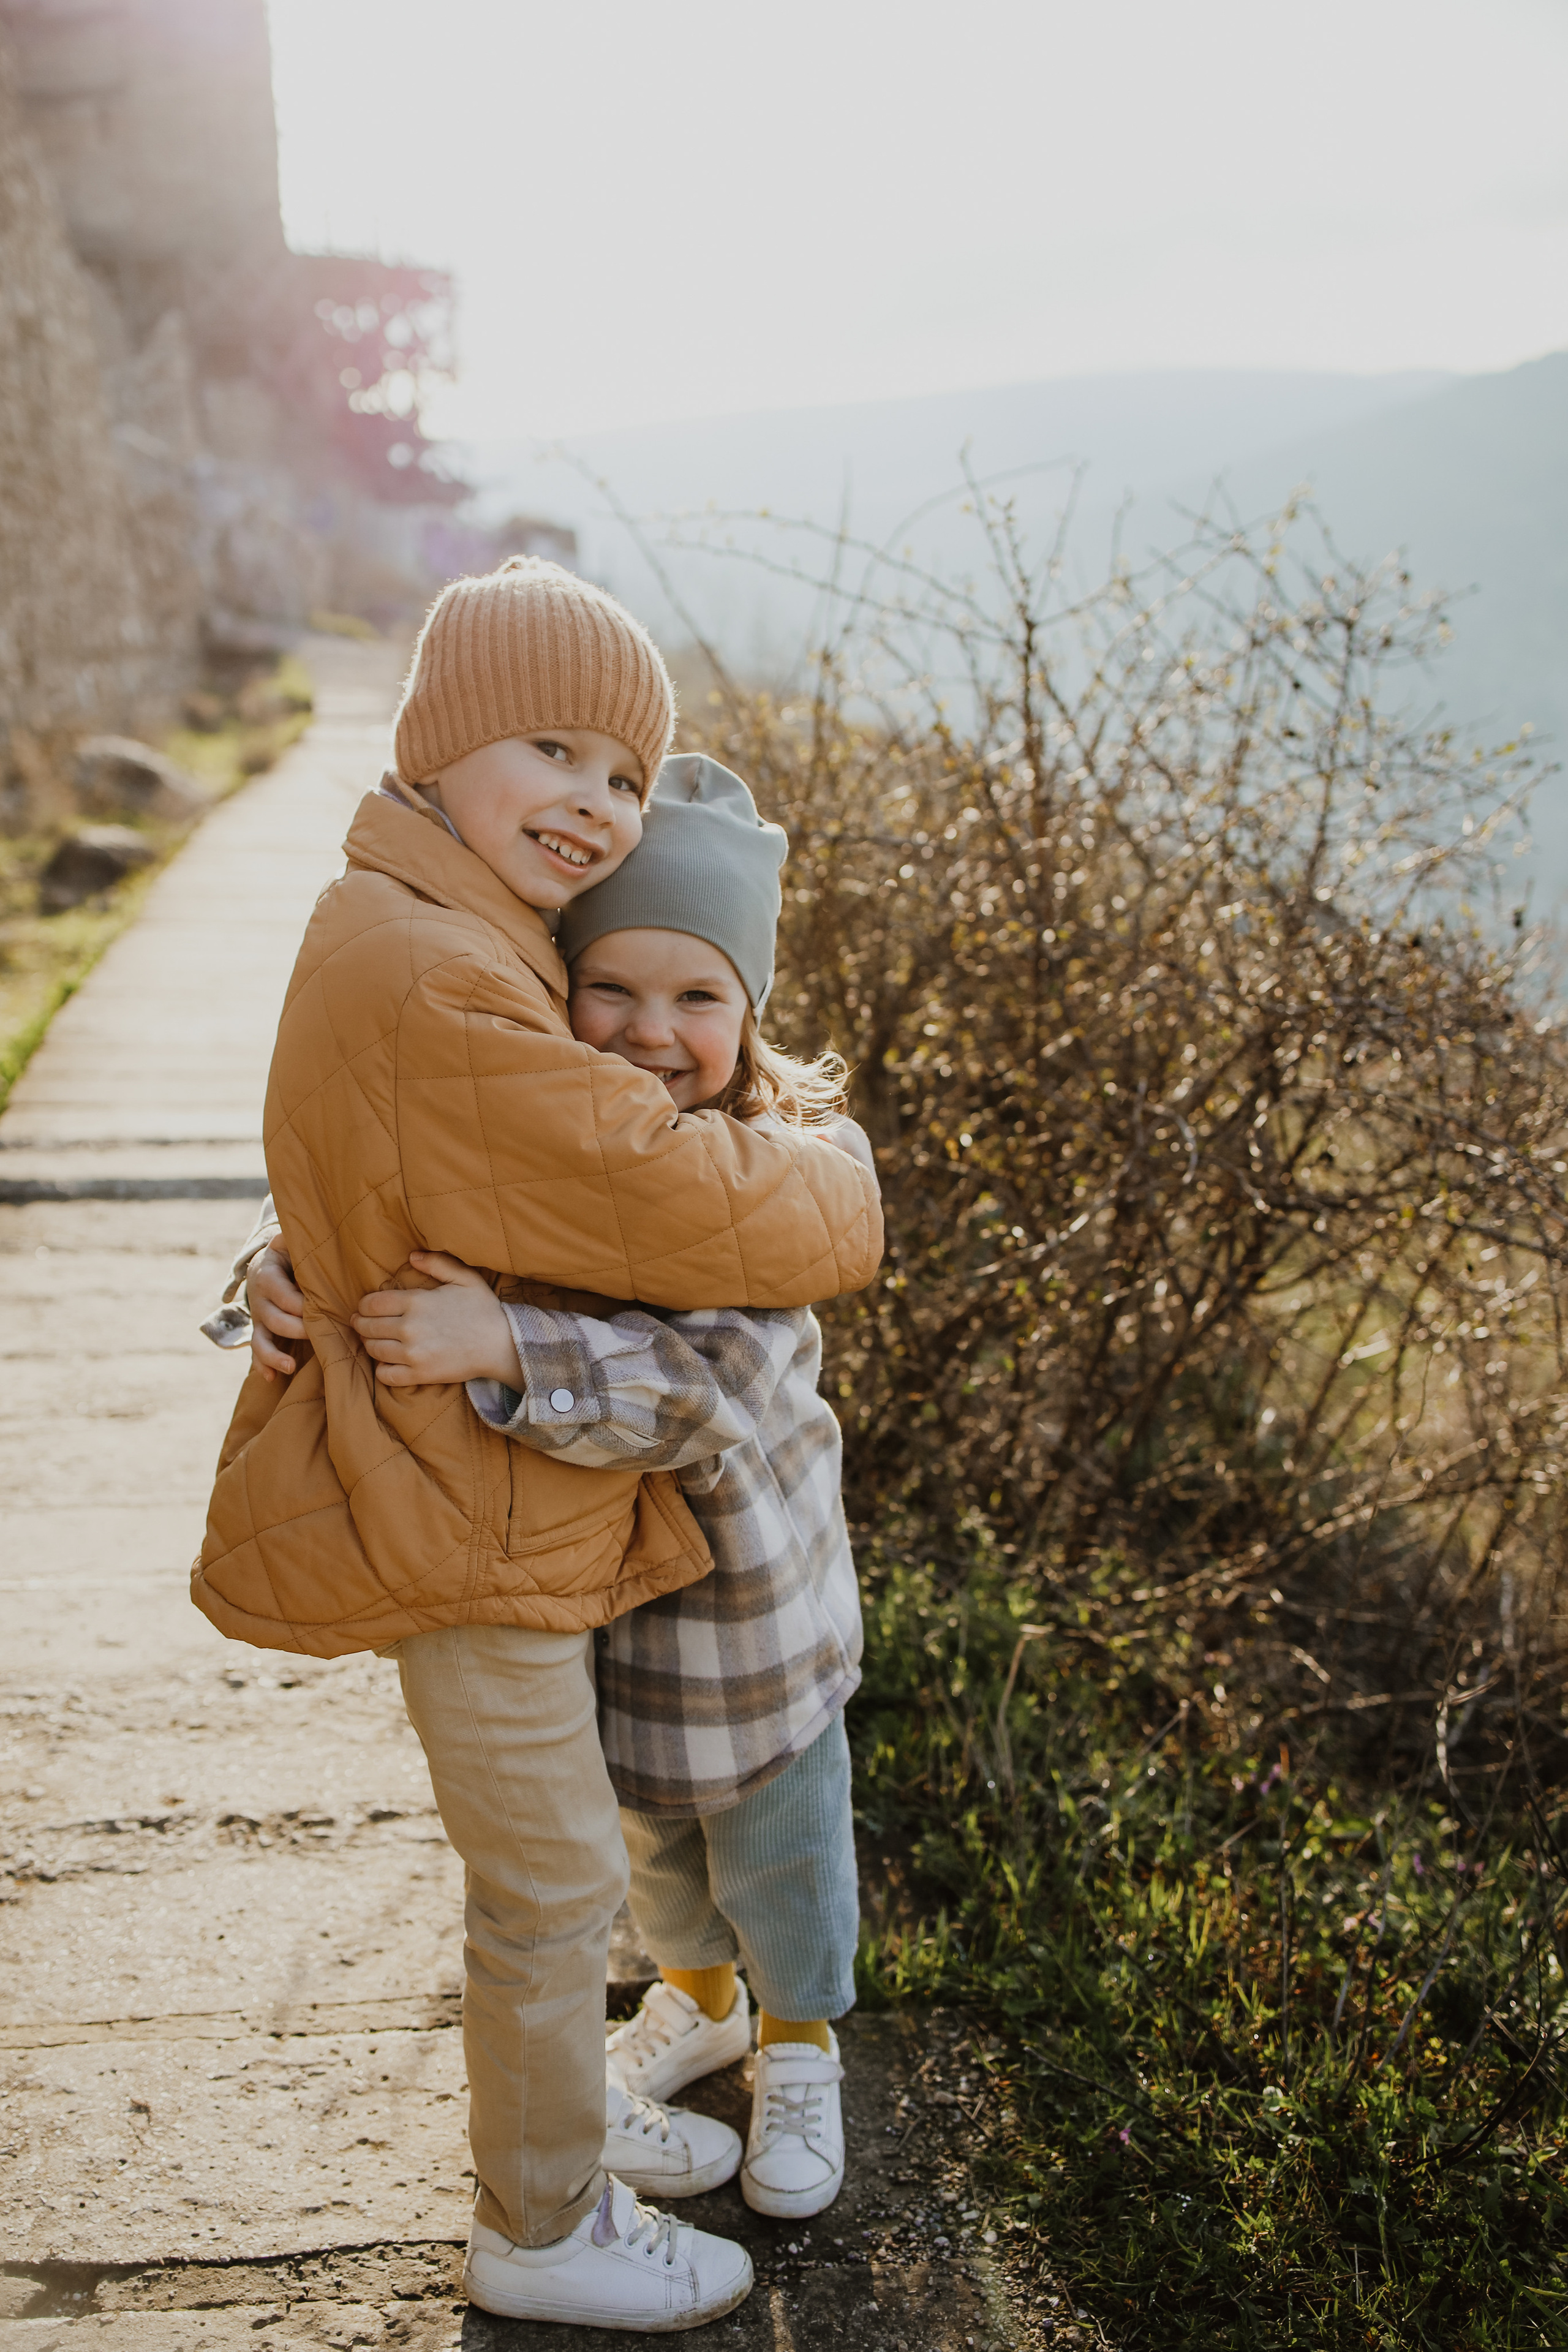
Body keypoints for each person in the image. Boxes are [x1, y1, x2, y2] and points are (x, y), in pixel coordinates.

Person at [197, 562, 882, 2332]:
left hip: (494, 1485)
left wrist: (297, 1265)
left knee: (574, 1858)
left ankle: (569, 2136)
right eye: (552, 747)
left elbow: (424, 1171)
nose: (593, 795)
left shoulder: (453, 926)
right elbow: (670, 1196)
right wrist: (846, 1171)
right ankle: (546, 2220)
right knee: (558, 1879)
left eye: (626, 774)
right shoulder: (445, 966)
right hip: (466, 1502)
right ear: (440, 744)